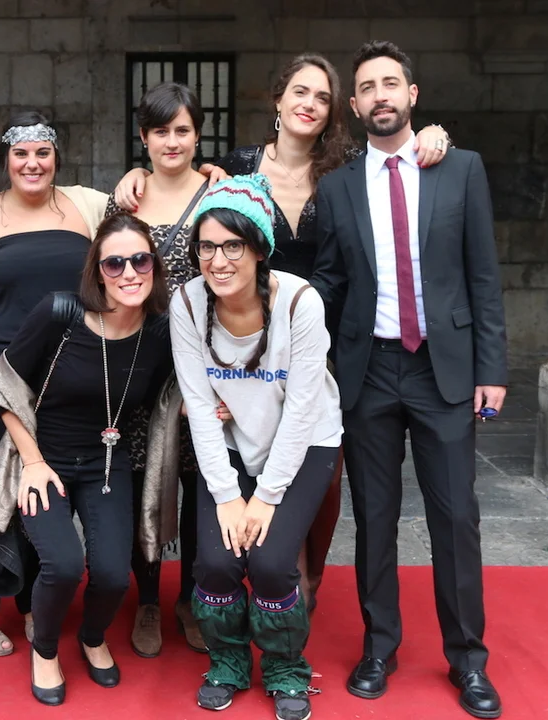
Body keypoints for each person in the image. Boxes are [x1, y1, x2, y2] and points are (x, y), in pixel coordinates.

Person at [116, 53, 451, 610]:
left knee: (320, 465)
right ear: (278, 98)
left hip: (327, 331)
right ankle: (232, 578)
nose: (308, 104)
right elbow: (186, 181)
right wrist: (139, 175)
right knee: (227, 454)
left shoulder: (348, 168)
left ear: (335, 110)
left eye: (321, 97)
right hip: (240, 334)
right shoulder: (237, 167)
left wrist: (434, 134)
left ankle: (303, 579)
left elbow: (398, 156)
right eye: (299, 91)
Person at [313, 41, 507, 719]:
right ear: (354, 104)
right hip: (368, 372)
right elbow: (330, 281)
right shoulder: (337, 188)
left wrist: (492, 367)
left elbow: (483, 274)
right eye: (367, 87)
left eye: (390, 83)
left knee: (456, 517)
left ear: (412, 94)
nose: (380, 96)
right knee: (374, 517)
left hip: (443, 370)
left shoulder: (460, 169)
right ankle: (379, 648)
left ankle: (468, 660)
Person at [0, 112, 109, 657]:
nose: (33, 163)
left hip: (69, 377)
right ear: (5, 161)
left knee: (46, 496)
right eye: (21, 154)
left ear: (57, 157)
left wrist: (211, 175)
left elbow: (153, 218)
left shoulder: (90, 206)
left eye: (43, 153)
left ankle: (33, 601)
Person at [170, 174, 343, 720]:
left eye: (232, 246)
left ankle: (285, 667)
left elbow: (302, 411)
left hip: (306, 442)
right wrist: (227, 495)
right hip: (231, 441)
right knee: (215, 561)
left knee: (270, 562)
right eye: (206, 247)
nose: (217, 261)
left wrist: (265, 498)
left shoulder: (299, 302)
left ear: (260, 249)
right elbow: (199, 406)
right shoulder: (187, 303)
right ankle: (227, 660)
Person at [0, 213, 174, 705]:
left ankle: (92, 637)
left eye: (140, 260)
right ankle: (46, 650)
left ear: (154, 266)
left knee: (113, 573)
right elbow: (3, 387)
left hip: (107, 464)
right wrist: (32, 463)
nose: (129, 273)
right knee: (64, 565)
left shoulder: (159, 333)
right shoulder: (60, 314)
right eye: (115, 264)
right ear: (98, 272)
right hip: (44, 460)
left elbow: (175, 393)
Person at [107, 82, 210, 657]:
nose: (173, 142)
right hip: (138, 369)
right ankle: (147, 598)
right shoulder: (123, 203)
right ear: (143, 137)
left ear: (197, 135)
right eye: (161, 131)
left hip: (203, 370)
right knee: (140, 482)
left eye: (183, 130)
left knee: (198, 485)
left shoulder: (219, 194)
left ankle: (190, 599)